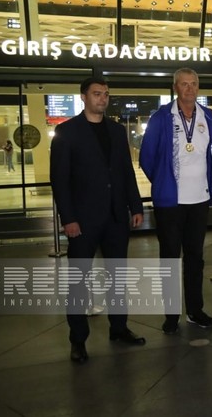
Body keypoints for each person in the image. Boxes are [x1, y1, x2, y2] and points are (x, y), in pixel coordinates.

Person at [50, 76, 145, 364]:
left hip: (116, 217)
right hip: (83, 220)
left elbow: (125, 172)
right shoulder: (66, 132)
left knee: (118, 277)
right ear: (83, 97)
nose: (102, 98)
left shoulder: (116, 131)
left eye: (105, 94)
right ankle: (78, 340)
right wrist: (68, 218)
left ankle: (119, 328)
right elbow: (60, 180)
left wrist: (136, 206)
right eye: (96, 94)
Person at [140, 68, 212, 334]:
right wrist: (163, 181)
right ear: (175, 88)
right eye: (184, 84)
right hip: (170, 202)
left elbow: (211, 156)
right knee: (170, 258)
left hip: (200, 199)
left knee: (195, 258)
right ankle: (171, 315)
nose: (189, 89)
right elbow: (146, 158)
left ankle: (195, 310)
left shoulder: (208, 116)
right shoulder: (161, 117)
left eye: (193, 84)